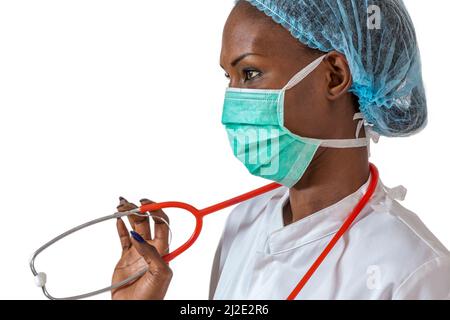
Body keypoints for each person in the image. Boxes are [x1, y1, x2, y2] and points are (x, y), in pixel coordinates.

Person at [110, 0, 450, 300]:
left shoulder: (413, 271)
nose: (233, 102)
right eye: (228, 77)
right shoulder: (244, 223)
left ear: (334, 76)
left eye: (250, 73)